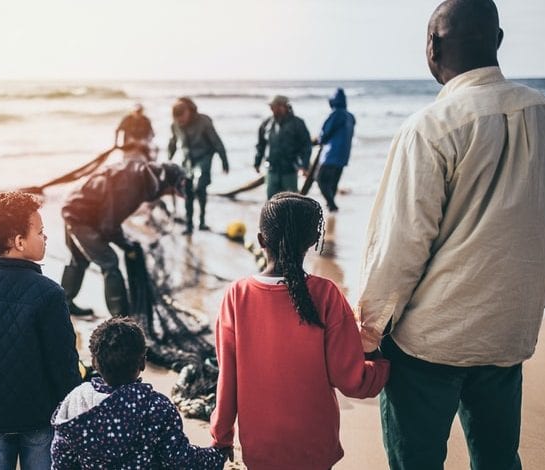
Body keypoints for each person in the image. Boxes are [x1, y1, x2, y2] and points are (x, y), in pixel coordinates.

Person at [357, 1, 545, 469]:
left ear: (432, 47)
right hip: (508, 334)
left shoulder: (430, 129)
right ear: (498, 41)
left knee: (416, 461)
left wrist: (368, 332)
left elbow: (401, 247)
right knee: (497, 459)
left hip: (430, 342)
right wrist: (540, 296)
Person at [210, 192, 390, 469]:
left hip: (260, 446)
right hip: (315, 445)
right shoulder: (327, 294)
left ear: (260, 240)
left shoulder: (237, 295)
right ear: (310, 243)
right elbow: (351, 381)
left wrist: (221, 436)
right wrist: (379, 363)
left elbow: (228, 377)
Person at [0, 191, 81, 470]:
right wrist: (72, 408)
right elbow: (63, 361)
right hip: (38, 417)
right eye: (41, 232)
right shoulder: (50, 293)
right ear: (20, 242)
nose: (45, 237)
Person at [51, 317, 230, 469]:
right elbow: (179, 459)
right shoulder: (156, 407)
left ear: (95, 363)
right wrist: (216, 455)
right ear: (143, 362)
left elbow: (61, 460)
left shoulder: (74, 402)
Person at [60, 157, 186, 317]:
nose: (168, 194)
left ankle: (63, 304)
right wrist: (126, 244)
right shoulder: (133, 186)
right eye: (170, 191)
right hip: (79, 214)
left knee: (78, 260)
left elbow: (108, 217)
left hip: (74, 204)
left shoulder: (141, 173)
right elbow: (109, 225)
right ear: (163, 182)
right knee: (109, 261)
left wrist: (124, 242)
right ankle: (120, 318)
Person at [168, 97, 229, 234]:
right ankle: (189, 226)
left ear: (188, 111)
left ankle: (202, 221)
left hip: (204, 158)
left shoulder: (204, 121)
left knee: (200, 187)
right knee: (187, 191)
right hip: (187, 160)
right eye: (177, 120)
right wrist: (169, 160)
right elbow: (173, 142)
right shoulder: (175, 125)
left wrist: (224, 160)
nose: (180, 122)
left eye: (182, 118)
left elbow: (217, 141)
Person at [254, 95, 312, 199]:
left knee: (291, 202)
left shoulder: (298, 123)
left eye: (273, 107)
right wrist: (257, 162)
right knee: (271, 203)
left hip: (289, 170)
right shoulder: (267, 123)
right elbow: (261, 145)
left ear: (283, 107)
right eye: (270, 107)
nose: (271, 109)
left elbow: (306, 146)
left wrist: (304, 166)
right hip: (272, 170)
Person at [313, 88, 356, 212]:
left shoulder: (336, 114)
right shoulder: (350, 116)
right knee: (333, 182)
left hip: (331, 154)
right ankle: (331, 205)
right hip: (344, 155)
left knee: (320, 179)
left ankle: (331, 205)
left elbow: (325, 133)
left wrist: (319, 140)